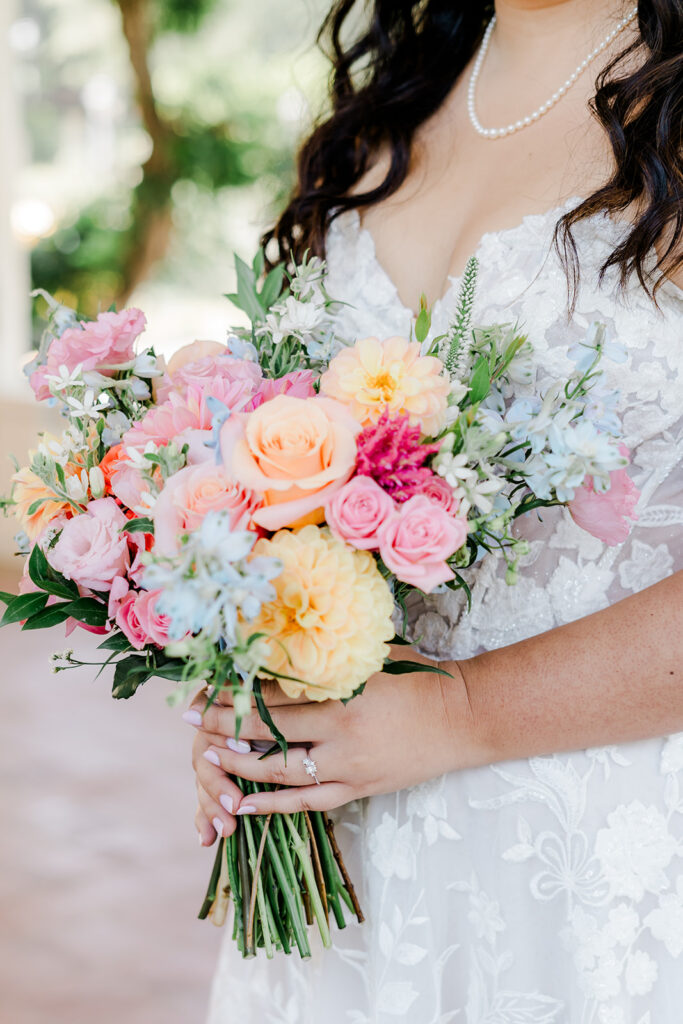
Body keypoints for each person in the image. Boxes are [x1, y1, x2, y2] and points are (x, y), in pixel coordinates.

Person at [188, 1, 683, 1019]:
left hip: (606, 858)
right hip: (356, 882)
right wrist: (254, 695)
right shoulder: (391, 108)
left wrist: (461, 711)